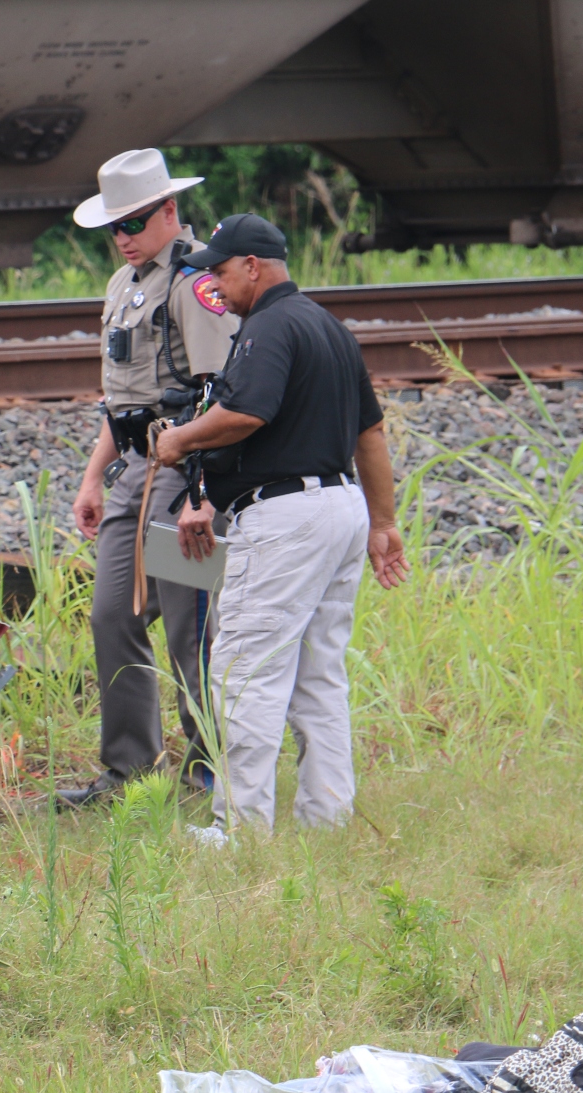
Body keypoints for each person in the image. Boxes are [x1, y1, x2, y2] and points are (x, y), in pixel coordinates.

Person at [152, 213, 409, 832]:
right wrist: (383, 523)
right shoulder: (329, 327)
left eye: (219, 270)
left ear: (253, 267)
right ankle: (328, 820)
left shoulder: (266, 327)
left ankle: (240, 831)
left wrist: (180, 440)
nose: (213, 283)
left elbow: (246, 414)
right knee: (319, 674)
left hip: (285, 519)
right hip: (341, 507)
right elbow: (370, 433)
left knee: (245, 672)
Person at [60, 148, 234, 808]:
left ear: (169, 211)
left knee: (189, 623)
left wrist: (202, 490)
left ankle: (209, 765)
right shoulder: (120, 283)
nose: (124, 237)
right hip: (133, 465)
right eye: (114, 227)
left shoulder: (193, 282)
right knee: (112, 613)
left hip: (182, 467)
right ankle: (127, 769)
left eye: (134, 222)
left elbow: (221, 392)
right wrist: (92, 477)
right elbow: (121, 398)